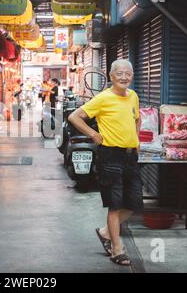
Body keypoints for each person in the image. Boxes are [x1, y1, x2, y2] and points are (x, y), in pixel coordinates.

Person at [68, 59, 142, 266]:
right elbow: (75, 117)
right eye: (120, 73)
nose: (124, 77)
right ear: (111, 76)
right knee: (115, 204)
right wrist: (93, 133)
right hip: (110, 155)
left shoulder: (134, 96)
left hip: (130, 156)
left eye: (128, 73)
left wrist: (136, 141)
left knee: (134, 203)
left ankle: (105, 232)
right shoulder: (103, 98)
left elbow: (137, 118)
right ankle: (117, 249)